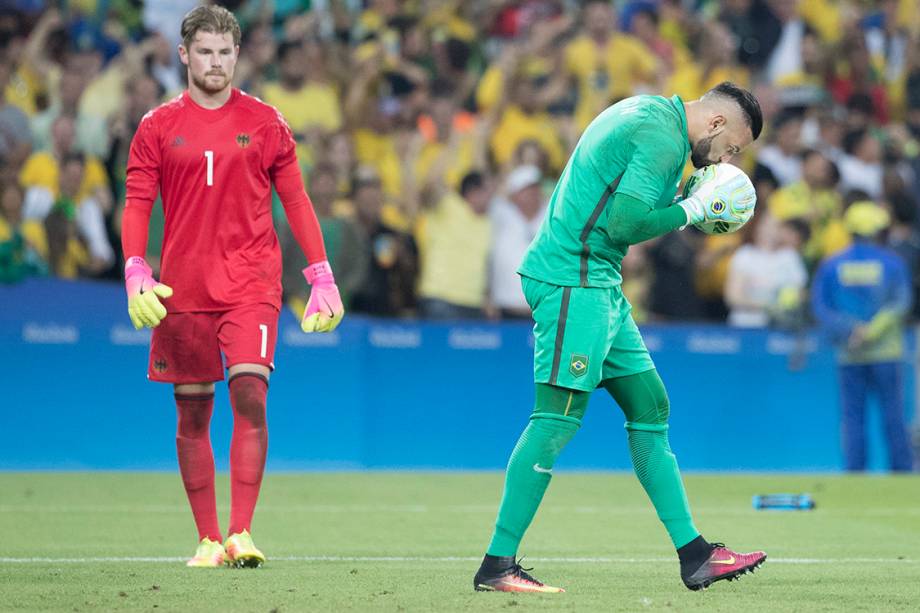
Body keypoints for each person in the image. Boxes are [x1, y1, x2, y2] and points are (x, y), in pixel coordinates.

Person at [473, 82, 767, 594]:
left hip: (597, 283)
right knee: (555, 419)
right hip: (573, 278)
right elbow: (625, 223)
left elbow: (619, 202)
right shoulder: (661, 136)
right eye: (733, 148)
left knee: (650, 407)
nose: (726, 160)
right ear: (717, 125)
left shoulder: (653, 115)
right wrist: (692, 211)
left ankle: (695, 555)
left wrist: (680, 198)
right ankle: (497, 564)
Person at [121, 5, 344, 569]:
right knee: (192, 416)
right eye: (204, 52)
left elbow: (295, 199)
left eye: (224, 52)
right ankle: (208, 540)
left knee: (250, 392)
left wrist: (320, 273)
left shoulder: (268, 122)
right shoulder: (156, 126)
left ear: (237, 56)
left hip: (251, 282)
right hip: (182, 290)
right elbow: (138, 202)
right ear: (184, 56)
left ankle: (242, 532)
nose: (215, 62)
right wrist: (135, 268)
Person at [811, 201, 914, 472]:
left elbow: (821, 307)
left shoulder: (832, 265)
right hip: (886, 353)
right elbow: (901, 303)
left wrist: (850, 330)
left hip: (849, 352)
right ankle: (902, 472)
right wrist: (873, 330)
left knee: (853, 418)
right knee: (893, 415)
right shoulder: (892, 263)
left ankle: (856, 473)